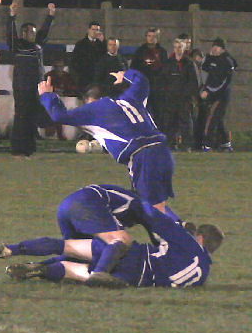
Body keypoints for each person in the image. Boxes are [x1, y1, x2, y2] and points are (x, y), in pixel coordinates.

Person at [0, 185, 222, 289]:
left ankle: (11, 250)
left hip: (134, 258)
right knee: (70, 269)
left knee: (67, 246)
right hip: (134, 280)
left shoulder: (188, 242)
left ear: (199, 237)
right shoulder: (203, 275)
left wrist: (178, 223)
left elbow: (157, 219)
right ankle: (39, 269)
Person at [38, 69, 175, 215]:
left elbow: (59, 115)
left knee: (150, 210)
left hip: (143, 156)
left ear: (89, 101)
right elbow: (142, 81)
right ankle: (178, 228)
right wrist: (126, 75)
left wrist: (47, 96)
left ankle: (173, 232)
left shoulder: (94, 109)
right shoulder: (130, 98)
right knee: (154, 203)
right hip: (163, 152)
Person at [6, 0, 55, 157]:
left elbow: (44, 32)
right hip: (22, 87)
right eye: (31, 32)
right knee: (21, 116)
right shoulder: (18, 46)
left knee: (32, 116)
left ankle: (29, 147)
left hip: (36, 87)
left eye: (34, 32)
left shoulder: (38, 45)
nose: (34, 34)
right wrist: (12, 17)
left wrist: (50, 16)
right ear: (24, 34)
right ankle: (18, 147)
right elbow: (10, 35)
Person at [160, 37, 199, 150]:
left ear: (184, 48)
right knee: (170, 122)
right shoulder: (169, 63)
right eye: (176, 47)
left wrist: (189, 95)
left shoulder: (189, 63)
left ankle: (186, 145)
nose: (178, 50)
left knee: (185, 122)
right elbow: (163, 79)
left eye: (180, 47)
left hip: (184, 99)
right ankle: (171, 144)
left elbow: (194, 82)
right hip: (171, 98)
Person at [199, 37, 237, 152]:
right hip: (212, 94)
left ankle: (207, 144)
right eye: (213, 46)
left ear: (222, 49)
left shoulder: (226, 61)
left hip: (221, 96)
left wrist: (208, 91)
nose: (214, 49)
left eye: (217, 47)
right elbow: (203, 67)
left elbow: (223, 82)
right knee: (218, 119)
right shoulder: (211, 58)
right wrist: (209, 56)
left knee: (212, 118)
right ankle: (226, 143)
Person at [130, 27, 167, 121]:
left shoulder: (162, 52)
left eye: (154, 36)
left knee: (159, 113)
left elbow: (166, 69)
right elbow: (133, 68)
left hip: (157, 88)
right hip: (143, 87)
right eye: (149, 36)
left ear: (157, 38)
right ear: (146, 37)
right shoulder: (140, 51)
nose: (151, 38)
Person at [41, 59, 77, 140]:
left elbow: (73, 88)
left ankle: (60, 133)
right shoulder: (48, 76)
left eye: (61, 66)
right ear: (54, 67)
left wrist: (64, 92)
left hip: (65, 99)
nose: (59, 69)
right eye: (57, 67)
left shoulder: (67, 76)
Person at [70, 20, 106, 94]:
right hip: (83, 80)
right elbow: (74, 62)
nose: (95, 32)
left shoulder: (102, 45)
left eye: (97, 30)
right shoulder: (80, 44)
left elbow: (107, 58)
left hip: (97, 81)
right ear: (88, 30)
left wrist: (104, 42)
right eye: (93, 29)